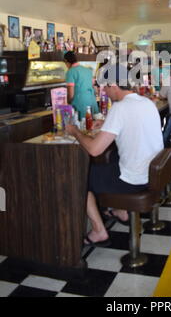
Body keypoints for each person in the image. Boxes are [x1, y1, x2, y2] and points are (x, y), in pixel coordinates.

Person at [66, 63, 164, 246]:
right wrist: (105, 124)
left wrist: (75, 132)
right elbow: (131, 126)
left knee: (79, 177)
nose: (103, 91)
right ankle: (120, 211)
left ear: (113, 85)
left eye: (104, 87)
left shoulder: (120, 108)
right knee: (114, 158)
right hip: (152, 174)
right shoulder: (146, 102)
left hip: (134, 180)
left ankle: (98, 231)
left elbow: (94, 149)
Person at [64, 51, 99, 120]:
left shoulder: (70, 72)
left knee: (82, 127)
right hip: (92, 101)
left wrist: (68, 103)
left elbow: (71, 94)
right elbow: (93, 87)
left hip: (81, 104)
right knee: (93, 125)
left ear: (66, 61)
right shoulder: (87, 70)